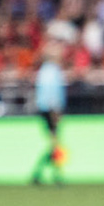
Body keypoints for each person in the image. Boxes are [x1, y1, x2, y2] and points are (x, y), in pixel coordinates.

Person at [32, 39, 69, 186]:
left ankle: (42, 174)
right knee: (55, 144)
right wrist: (55, 113)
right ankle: (53, 175)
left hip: (48, 111)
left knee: (54, 145)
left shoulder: (46, 70)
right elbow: (50, 95)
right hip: (50, 111)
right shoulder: (51, 71)